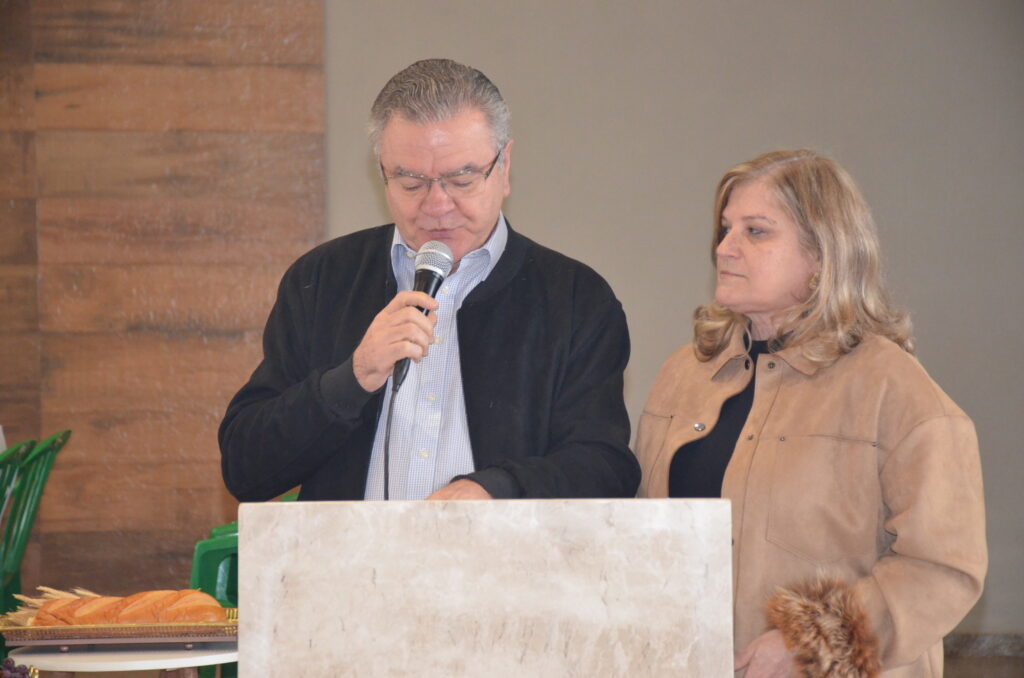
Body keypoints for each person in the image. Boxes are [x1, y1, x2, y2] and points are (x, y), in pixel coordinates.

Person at [220, 58, 638, 503]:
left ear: (505, 166)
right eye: (411, 182)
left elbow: (604, 466)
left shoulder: (576, 299)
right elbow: (247, 468)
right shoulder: (321, 280)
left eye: (461, 178)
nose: (437, 205)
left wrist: (497, 489)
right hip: (353, 569)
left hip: (506, 567)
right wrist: (353, 378)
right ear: (381, 172)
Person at [635, 150, 986, 678]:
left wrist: (810, 640)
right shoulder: (684, 372)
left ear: (823, 255)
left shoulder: (895, 390)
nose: (725, 249)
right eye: (726, 229)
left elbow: (944, 569)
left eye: (756, 231)